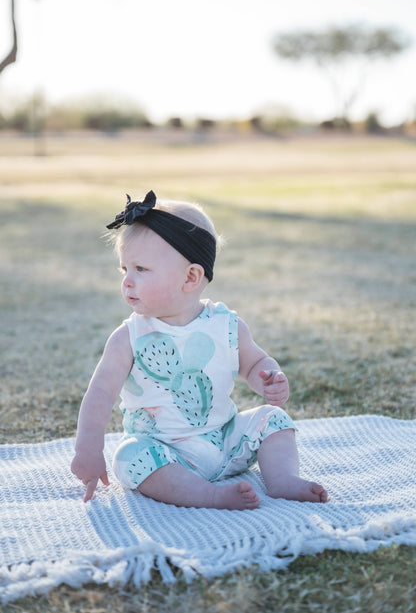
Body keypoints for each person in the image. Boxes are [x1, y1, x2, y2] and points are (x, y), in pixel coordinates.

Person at [71, 191, 328, 510]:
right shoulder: (130, 336)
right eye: (124, 270)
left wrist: (269, 379)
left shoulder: (226, 324)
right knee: (130, 455)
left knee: (272, 418)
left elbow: (254, 363)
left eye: (140, 269)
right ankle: (207, 495)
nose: (127, 281)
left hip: (226, 441)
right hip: (166, 454)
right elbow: (100, 394)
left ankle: (283, 480)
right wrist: (88, 448)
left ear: (191, 277)